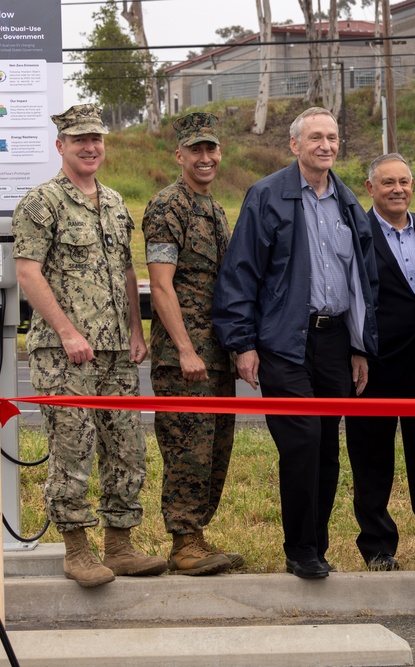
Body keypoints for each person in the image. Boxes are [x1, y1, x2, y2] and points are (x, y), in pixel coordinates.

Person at [213, 107, 378, 579]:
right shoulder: (266, 196)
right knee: (302, 442)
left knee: (327, 447)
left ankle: (316, 548)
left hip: (334, 342)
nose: (325, 146)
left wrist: (358, 346)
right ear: (295, 146)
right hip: (283, 343)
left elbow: (363, 281)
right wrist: (243, 343)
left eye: (332, 138)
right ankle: (300, 548)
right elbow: (241, 273)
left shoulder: (347, 203)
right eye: (315, 138)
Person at [12, 104, 168, 588]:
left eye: (96, 139)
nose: (90, 146)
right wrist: (65, 331)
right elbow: (27, 273)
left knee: (126, 446)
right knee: (72, 450)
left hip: (116, 351)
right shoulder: (42, 203)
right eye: (79, 139)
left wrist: (136, 331)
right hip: (64, 353)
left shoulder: (117, 203)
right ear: (61, 145)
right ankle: (77, 550)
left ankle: (120, 546)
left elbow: (126, 271)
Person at [344, 153, 415, 571]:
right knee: (372, 461)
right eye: (388, 183)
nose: (397, 190)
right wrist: (355, 348)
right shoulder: (356, 233)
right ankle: (377, 546)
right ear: (370, 188)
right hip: (374, 366)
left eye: (404, 182)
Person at [142, 112, 239, 576]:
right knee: (187, 450)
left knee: (216, 451)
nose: (205, 157)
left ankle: (197, 536)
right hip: (184, 358)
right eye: (195, 150)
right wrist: (184, 349)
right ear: (179, 155)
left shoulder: (216, 210)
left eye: (211, 149)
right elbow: (161, 286)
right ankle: (183, 543)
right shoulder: (168, 207)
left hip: (217, 353)